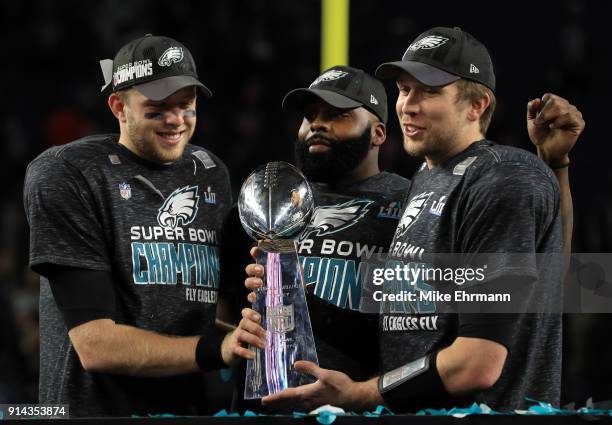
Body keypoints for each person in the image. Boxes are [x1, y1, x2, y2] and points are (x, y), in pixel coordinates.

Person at [238, 27, 584, 412]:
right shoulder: (427, 178)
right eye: (404, 89)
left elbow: (476, 363)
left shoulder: (502, 176)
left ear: (477, 105)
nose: (408, 105)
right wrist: (293, 294)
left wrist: (361, 394)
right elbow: (413, 319)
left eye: (429, 91)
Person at [23, 35, 244, 417]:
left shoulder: (210, 172)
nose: (176, 120)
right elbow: (96, 345)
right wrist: (218, 350)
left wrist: (248, 338)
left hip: (190, 409)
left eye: (186, 106)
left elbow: (185, 306)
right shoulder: (69, 172)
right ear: (118, 106)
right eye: (157, 109)